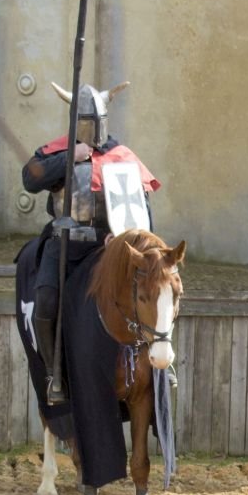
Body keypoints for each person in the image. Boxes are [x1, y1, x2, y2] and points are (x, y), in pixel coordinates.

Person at [21, 81, 159, 404]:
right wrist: (70, 157)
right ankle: (54, 374)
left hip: (108, 247)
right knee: (46, 299)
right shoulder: (58, 151)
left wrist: (125, 236)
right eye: (86, 121)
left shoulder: (121, 156)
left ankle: (158, 363)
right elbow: (30, 179)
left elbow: (141, 208)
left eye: (96, 121)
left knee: (153, 290)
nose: (92, 128)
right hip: (65, 245)